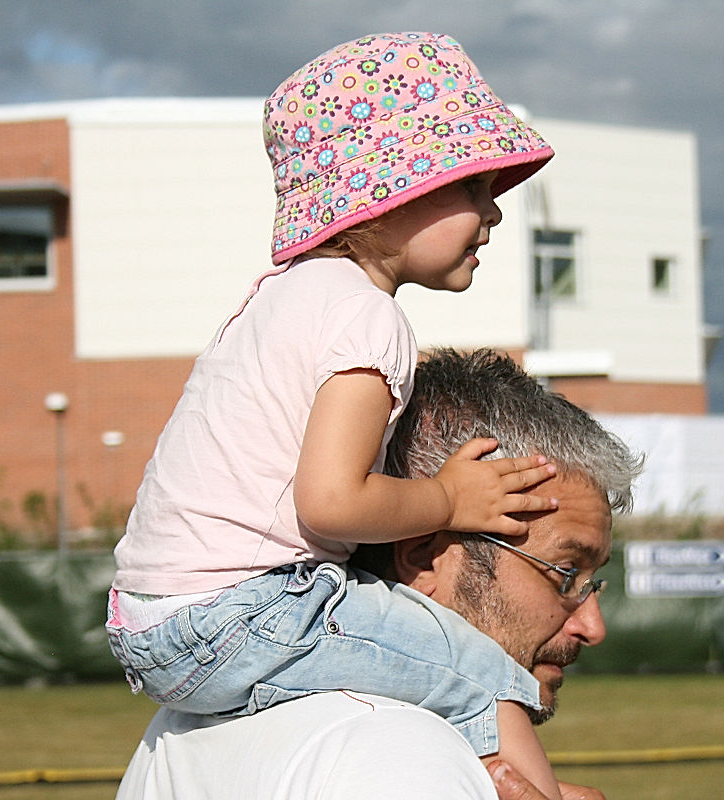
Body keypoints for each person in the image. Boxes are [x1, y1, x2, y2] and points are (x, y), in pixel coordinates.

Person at [105, 32, 566, 797]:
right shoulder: (365, 315)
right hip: (243, 611)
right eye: (472, 188)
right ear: (387, 195)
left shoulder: (279, 300)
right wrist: (450, 499)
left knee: (430, 667)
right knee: (490, 678)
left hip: (153, 619)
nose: (495, 215)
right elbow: (332, 500)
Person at [115, 348, 643, 800]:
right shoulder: (401, 752)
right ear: (423, 555)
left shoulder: (179, 730)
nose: (592, 626)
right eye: (566, 572)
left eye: (592, 582)